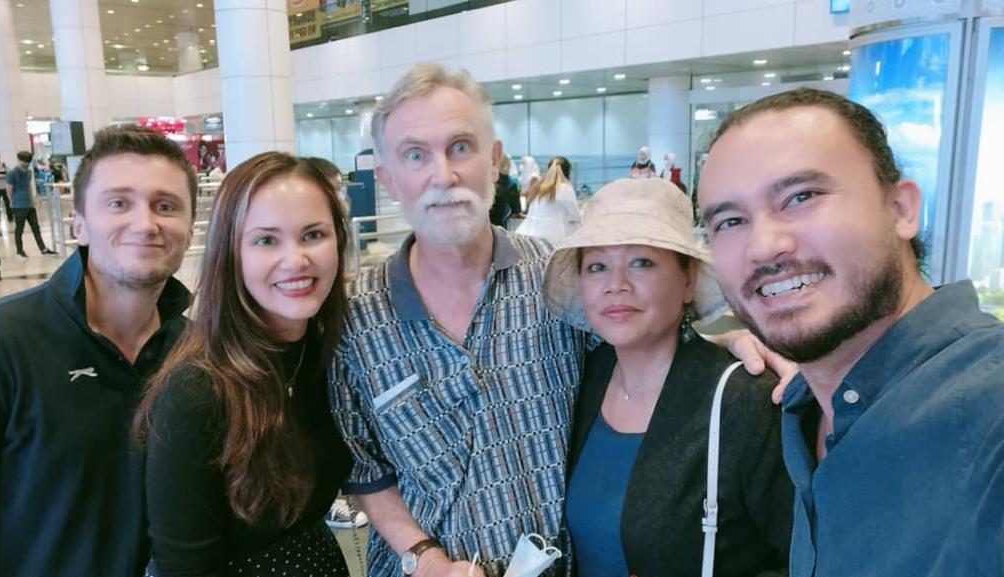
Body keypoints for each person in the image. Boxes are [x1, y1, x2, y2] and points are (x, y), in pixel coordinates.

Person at [329, 63, 791, 577]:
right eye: (416, 155)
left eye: (460, 147)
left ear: (494, 160)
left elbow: (639, 333)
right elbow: (363, 466)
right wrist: (422, 556)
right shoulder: (356, 316)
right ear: (387, 179)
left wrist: (728, 346)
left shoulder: (553, 277)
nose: (444, 174)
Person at [698, 87, 1004, 577]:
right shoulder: (803, 405)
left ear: (901, 208)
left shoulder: (988, 413)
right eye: (730, 221)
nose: (764, 246)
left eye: (801, 197)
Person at [545, 178, 792, 577]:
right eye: (597, 266)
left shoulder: (742, 401)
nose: (616, 285)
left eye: (641, 262)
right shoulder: (582, 378)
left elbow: (807, 557)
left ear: (688, 280)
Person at [0, 124, 197, 576]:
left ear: (189, 225)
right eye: (118, 203)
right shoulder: (1, 340)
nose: (146, 223)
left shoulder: (195, 350)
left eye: (166, 206)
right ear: (78, 224)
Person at [135, 152, 352, 577]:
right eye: (266, 240)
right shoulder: (197, 393)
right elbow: (184, 566)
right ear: (230, 254)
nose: (296, 260)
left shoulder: (330, 355)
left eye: (313, 234)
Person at [515, 160, 581, 243]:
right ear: (568, 173)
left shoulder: (538, 187)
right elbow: (575, 217)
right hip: (548, 239)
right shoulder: (565, 188)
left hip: (524, 235)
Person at [5, 150, 56, 257]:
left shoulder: (29, 172)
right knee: (19, 228)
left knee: (36, 228)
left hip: (29, 205)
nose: (26, 165)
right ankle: (20, 251)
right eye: (24, 162)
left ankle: (43, 249)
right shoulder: (12, 173)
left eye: (28, 162)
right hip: (18, 206)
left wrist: (34, 200)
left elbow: (28, 187)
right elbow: (9, 189)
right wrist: (12, 202)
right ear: (19, 160)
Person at [489, 153, 521, 227]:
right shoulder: (511, 185)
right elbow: (516, 210)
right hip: (500, 228)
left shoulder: (486, 182)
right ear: (507, 167)